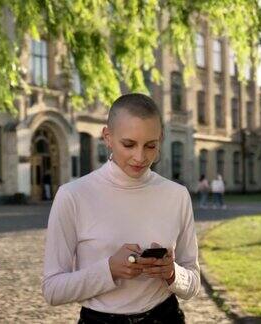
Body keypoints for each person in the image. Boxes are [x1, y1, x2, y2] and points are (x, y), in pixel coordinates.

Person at [42, 93, 200, 323]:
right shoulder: (73, 196)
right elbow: (52, 289)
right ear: (107, 137)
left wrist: (172, 273)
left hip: (165, 317)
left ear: (161, 139)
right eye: (128, 144)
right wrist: (109, 270)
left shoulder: (177, 195)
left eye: (150, 146)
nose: (140, 157)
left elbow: (193, 282)